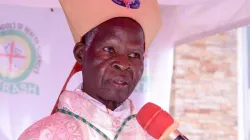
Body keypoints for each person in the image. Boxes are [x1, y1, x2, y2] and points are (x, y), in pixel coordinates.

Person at [18, 0, 161, 139]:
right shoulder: (45, 135)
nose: (123, 64)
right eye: (109, 50)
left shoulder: (154, 136)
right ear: (81, 54)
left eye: (134, 55)